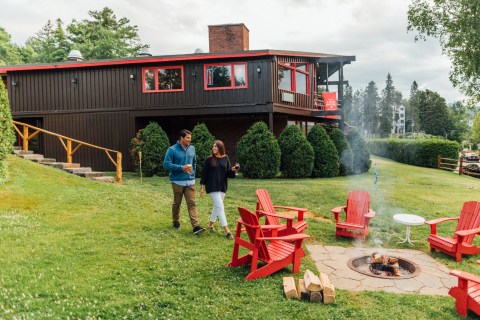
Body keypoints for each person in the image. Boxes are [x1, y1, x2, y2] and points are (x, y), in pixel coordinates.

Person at [163, 129, 206, 235]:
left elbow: (194, 163)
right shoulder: (172, 150)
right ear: (181, 138)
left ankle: (195, 226)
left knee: (192, 203)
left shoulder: (192, 148)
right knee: (177, 203)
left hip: (190, 182)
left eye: (190, 138)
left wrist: (193, 173)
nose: (189, 140)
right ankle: (175, 221)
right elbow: (166, 164)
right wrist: (182, 168)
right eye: (187, 138)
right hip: (177, 182)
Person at [200, 140, 239, 239]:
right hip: (212, 186)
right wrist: (201, 188)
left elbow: (228, 173)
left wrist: (233, 170)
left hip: (222, 187)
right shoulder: (208, 159)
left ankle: (210, 225)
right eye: (213, 146)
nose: (213, 148)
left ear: (220, 148)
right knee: (220, 207)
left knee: (217, 207)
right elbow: (204, 175)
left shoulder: (226, 158)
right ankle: (227, 231)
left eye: (216, 146)